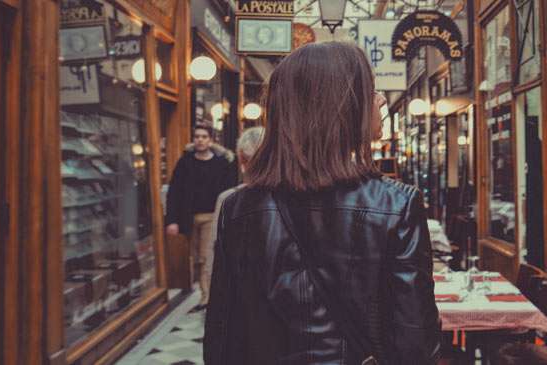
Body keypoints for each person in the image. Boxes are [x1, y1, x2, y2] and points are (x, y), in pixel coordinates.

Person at [205, 42, 441, 364]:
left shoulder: (239, 209)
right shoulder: (396, 205)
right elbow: (415, 344)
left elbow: (222, 337)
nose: (381, 99)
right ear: (342, 106)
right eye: (371, 90)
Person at [164, 125, 237, 310]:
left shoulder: (221, 164)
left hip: (211, 216)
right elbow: (174, 192)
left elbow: (230, 193)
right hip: (189, 218)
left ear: (211, 140)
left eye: (204, 136)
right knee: (196, 258)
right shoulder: (185, 163)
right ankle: (206, 292)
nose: (200, 140)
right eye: (197, 136)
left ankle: (207, 298)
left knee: (206, 256)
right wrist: (171, 220)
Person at [204, 126, 265, 308]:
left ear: (241, 159)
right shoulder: (293, 196)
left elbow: (214, 255)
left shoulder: (228, 200)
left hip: (240, 299)